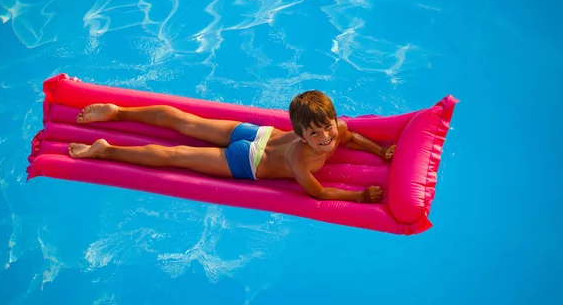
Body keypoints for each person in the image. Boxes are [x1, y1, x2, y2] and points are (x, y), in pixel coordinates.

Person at [68, 90, 395, 203]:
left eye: (327, 128)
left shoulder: (336, 129)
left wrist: (380, 152)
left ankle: (119, 113)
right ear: (300, 134)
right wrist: (360, 196)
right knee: (177, 155)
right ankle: (107, 148)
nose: (326, 138)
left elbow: (350, 136)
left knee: (188, 122)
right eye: (315, 134)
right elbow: (320, 193)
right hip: (247, 159)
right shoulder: (300, 159)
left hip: (260, 133)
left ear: (334, 120)